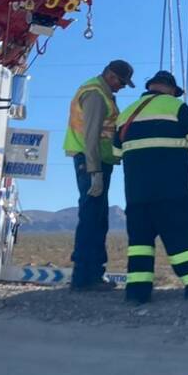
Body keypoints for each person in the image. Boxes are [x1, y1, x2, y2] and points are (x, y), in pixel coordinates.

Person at [114, 70, 188, 304]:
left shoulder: (126, 115)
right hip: (171, 191)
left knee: (139, 246)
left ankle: (137, 294)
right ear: (170, 89)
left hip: (137, 196)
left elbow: (116, 153)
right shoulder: (176, 107)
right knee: (182, 242)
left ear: (150, 87)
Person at [64, 59, 135, 291]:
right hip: (91, 162)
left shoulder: (98, 91)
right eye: (122, 83)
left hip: (96, 162)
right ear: (111, 76)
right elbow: (91, 136)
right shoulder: (95, 95)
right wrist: (95, 172)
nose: (121, 87)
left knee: (97, 217)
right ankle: (85, 276)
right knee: (92, 218)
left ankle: (91, 274)